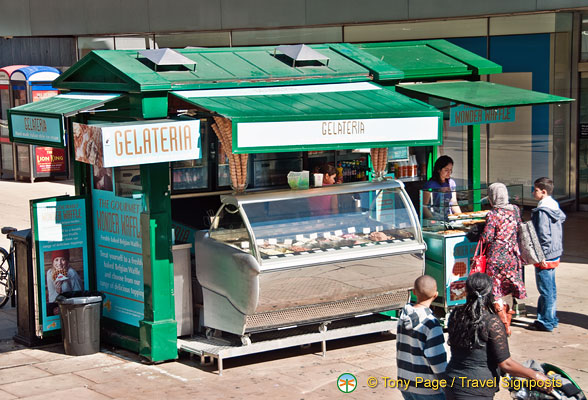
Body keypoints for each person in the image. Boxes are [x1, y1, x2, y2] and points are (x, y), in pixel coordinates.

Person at [444, 273, 553, 400]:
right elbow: (505, 363)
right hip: (477, 387)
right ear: (490, 293)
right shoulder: (492, 322)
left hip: (452, 381)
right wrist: (536, 376)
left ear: (467, 291)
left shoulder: (456, 315)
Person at [480, 182, 525, 336]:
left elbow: (487, 237)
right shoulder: (515, 210)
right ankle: (508, 321)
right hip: (512, 255)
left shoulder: (493, 214)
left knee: (496, 289)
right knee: (510, 289)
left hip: (496, 256)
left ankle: (503, 324)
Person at [396, 275, 447, 400]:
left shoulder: (402, 318)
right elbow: (436, 360)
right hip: (428, 388)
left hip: (406, 382)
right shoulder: (431, 324)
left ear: (414, 292)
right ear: (435, 295)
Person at [530, 177, 566, 332]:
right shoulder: (554, 207)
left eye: (535, 190)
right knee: (550, 287)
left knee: (545, 288)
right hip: (555, 251)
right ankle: (548, 317)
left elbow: (543, 234)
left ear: (543, 192)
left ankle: (547, 321)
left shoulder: (543, 211)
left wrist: (541, 256)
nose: (533, 192)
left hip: (545, 254)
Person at [422, 156, 462, 220]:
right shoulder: (430, 185)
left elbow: (454, 202)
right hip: (435, 217)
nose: (449, 172)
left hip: (449, 217)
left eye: (450, 170)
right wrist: (433, 219)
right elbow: (424, 207)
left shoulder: (451, 183)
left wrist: (461, 217)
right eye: (446, 170)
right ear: (438, 169)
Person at [46, 249, 83, 315]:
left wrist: (68, 283)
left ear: (67, 261)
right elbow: (51, 298)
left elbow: (78, 295)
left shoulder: (72, 273)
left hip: (70, 304)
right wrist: (58, 292)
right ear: (53, 262)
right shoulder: (50, 273)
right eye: (56, 260)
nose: (59, 263)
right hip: (56, 303)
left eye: (62, 259)